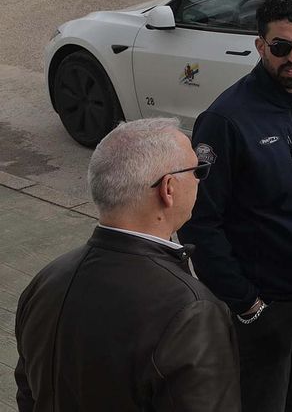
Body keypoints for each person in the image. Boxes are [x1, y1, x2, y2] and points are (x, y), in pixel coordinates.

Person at [181, 0, 292, 412]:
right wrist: (246, 302)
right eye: (281, 47)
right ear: (260, 46)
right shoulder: (225, 120)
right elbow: (199, 222)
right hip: (265, 305)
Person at [14, 118, 240, 412]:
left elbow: (28, 394)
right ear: (168, 189)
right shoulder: (192, 311)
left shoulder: (46, 281)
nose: (200, 180)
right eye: (197, 171)